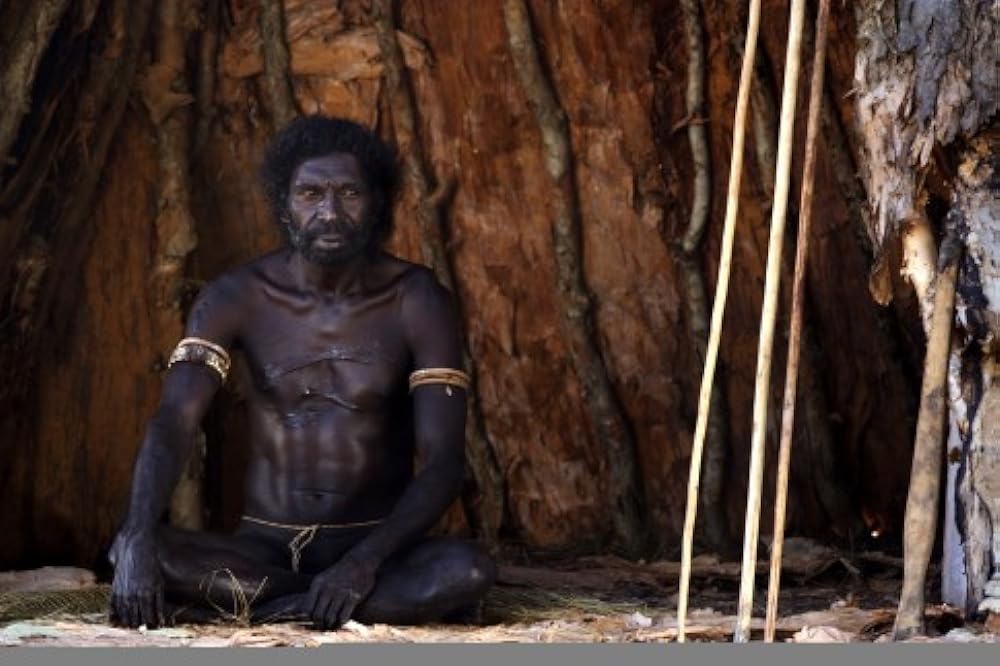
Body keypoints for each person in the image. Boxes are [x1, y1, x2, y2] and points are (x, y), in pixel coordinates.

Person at [108, 115, 495, 630]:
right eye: (310, 194)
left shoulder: (417, 299)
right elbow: (175, 421)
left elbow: (444, 462)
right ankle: (317, 604)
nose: (329, 212)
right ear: (284, 204)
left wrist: (363, 562)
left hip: (377, 549)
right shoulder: (236, 296)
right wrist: (138, 534)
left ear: (377, 203)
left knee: (467, 570)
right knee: (131, 549)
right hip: (263, 551)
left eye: (348, 193)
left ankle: (270, 611)